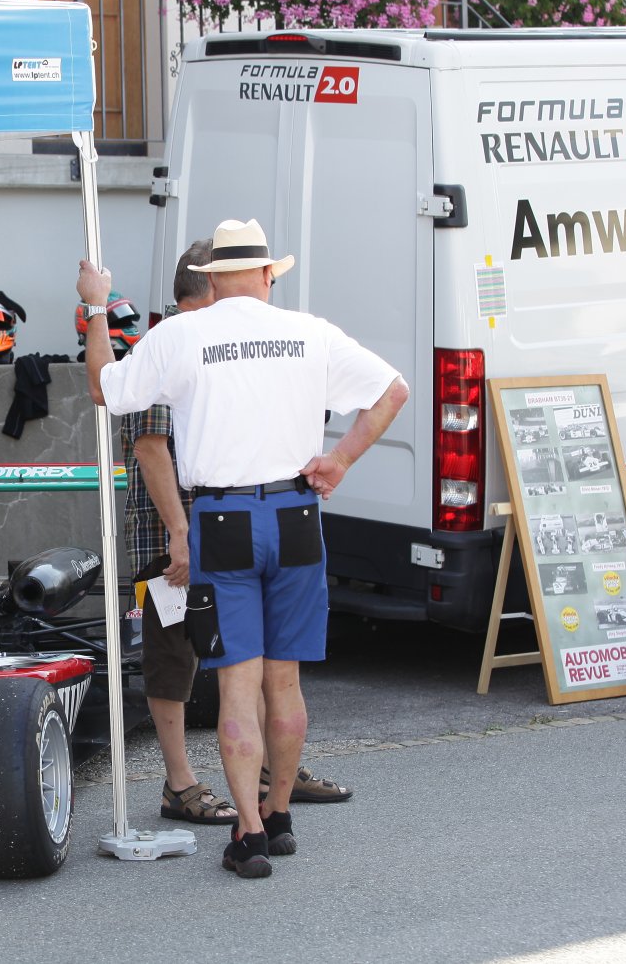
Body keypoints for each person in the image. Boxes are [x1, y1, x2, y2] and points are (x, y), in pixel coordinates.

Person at [78, 218, 408, 879]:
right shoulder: (308, 331)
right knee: (284, 680)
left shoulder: (181, 333)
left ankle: (249, 835)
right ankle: (279, 813)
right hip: (296, 511)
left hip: (222, 517)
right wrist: (340, 459)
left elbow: (104, 387)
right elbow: (392, 391)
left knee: (237, 683)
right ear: (264, 275)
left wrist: (94, 306)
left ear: (212, 278)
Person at [126, 242, 353, 829]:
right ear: (208, 291)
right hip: (173, 530)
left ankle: (271, 777)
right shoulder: (177, 339)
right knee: (175, 656)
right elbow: (150, 446)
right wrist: (179, 534)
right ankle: (181, 783)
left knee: (255, 661)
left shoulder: (235, 339)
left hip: (232, 522)